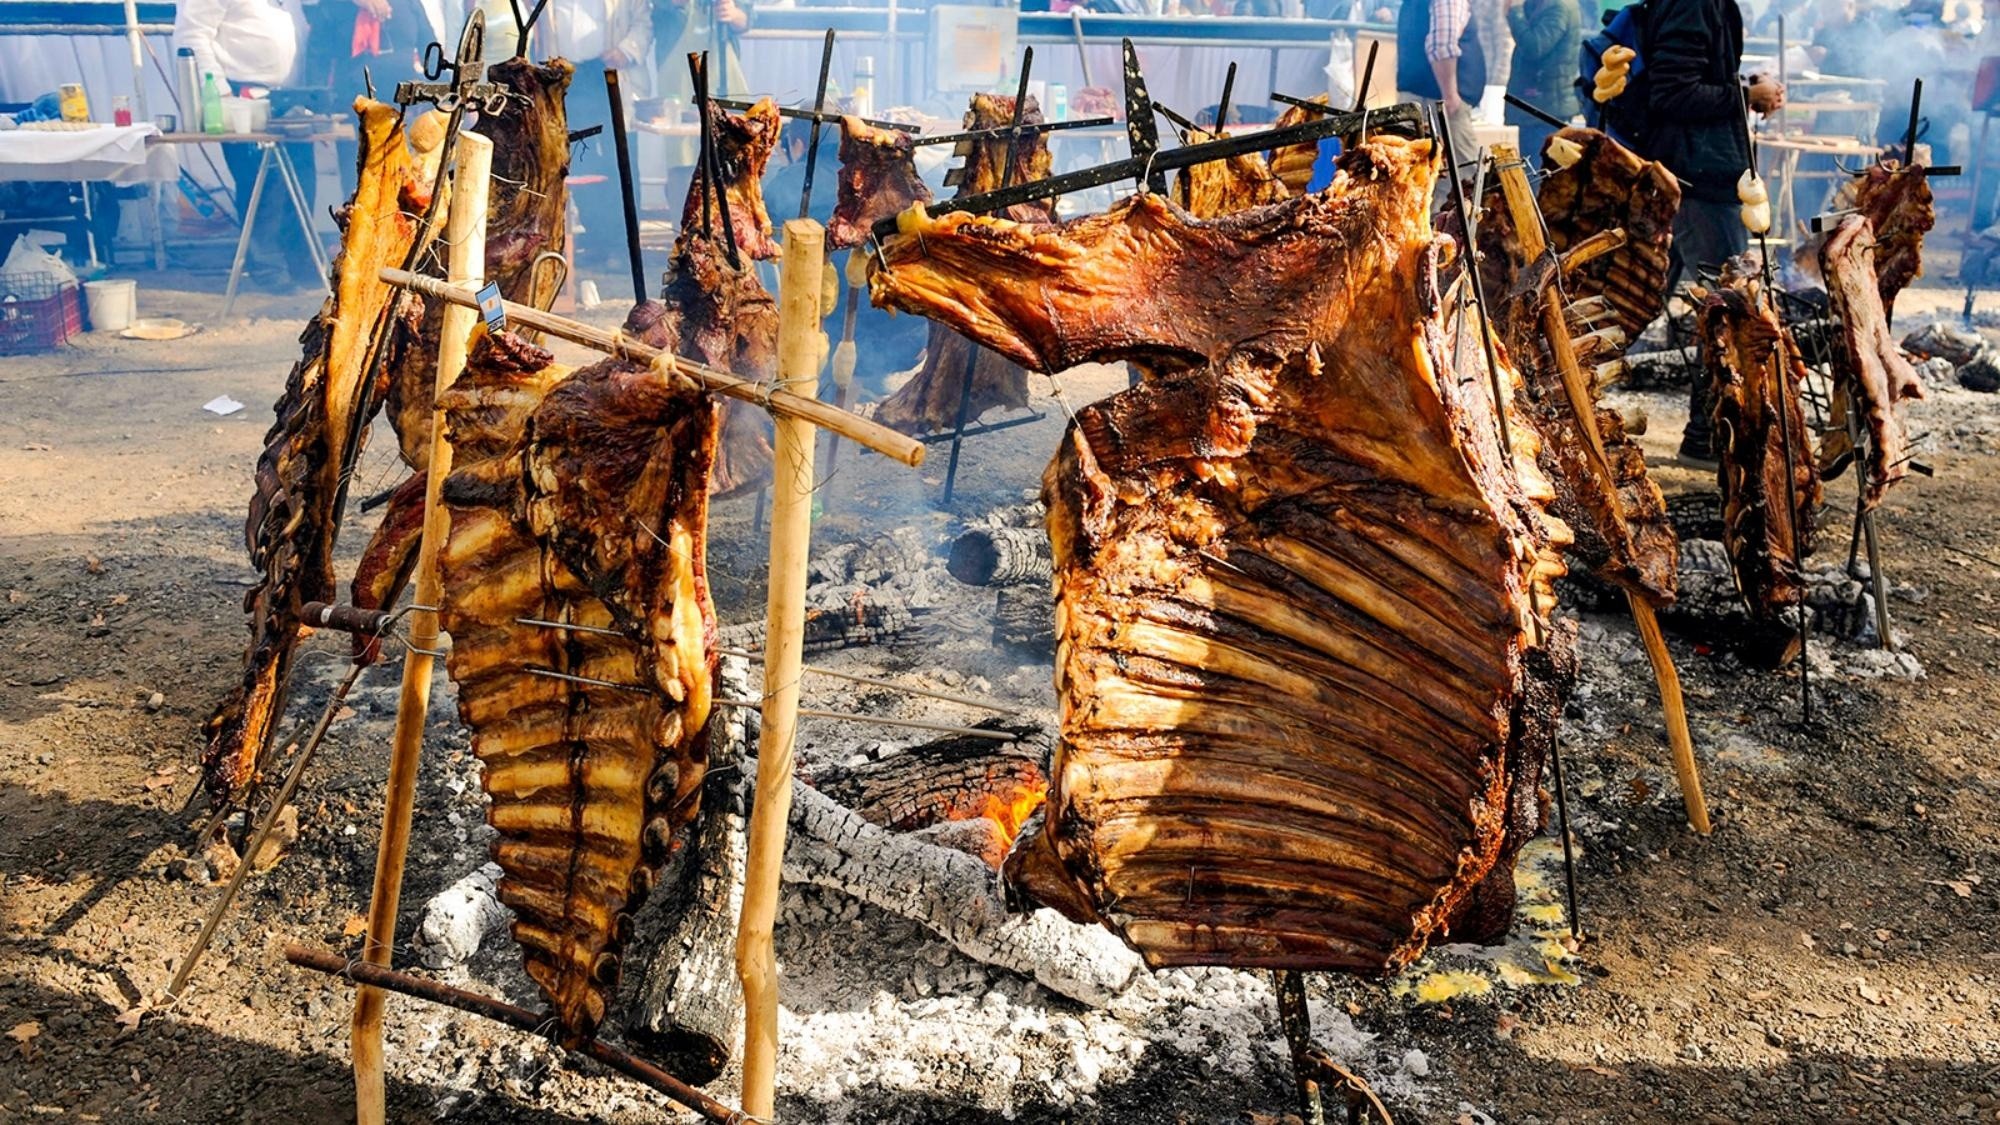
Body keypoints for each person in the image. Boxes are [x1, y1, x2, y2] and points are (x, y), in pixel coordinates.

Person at [1642, 0, 1783, 462]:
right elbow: (1672, 92)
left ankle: (1705, 435)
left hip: (1694, 172)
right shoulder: (1695, 4)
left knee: (1642, 302)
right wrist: (1745, 97)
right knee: (1729, 310)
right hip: (1697, 180)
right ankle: (1707, 438)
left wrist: (1743, 85)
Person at [175, 0, 321, 290]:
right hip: (242, 98)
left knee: (303, 184)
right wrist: (220, 94)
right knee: (263, 187)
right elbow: (192, 35)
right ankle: (269, 272)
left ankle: (302, 266)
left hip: (290, 101)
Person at [1396, 0, 1487, 152]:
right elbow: (1442, 46)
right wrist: (1450, 95)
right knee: (1462, 171)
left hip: (1422, 101)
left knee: (1422, 171)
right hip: (1438, 104)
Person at [1503, 0, 1582, 159]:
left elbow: (1535, 46)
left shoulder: (1558, 7)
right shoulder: (1543, 4)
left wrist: (1515, 12)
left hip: (1545, 108)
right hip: (1539, 105)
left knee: (1538, 170)